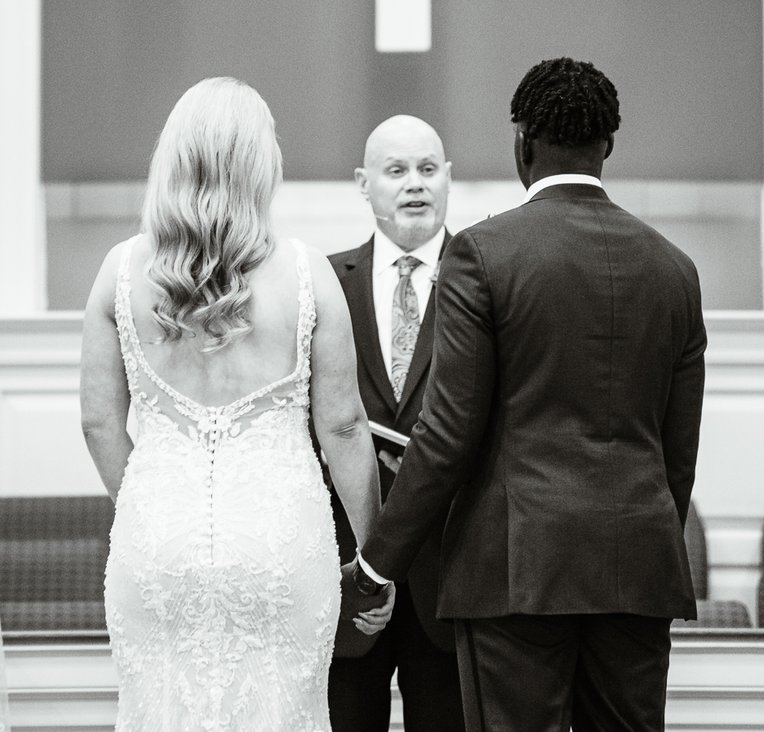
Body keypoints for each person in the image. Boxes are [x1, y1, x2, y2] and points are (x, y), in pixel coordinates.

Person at [346, 57, 706, 732]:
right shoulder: (676, 269)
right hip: (637, 572)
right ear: (609, 146)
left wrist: (375, 565)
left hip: (517, 573)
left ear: (522, 142)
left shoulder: (483, 255)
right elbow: (676, 453)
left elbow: (447, 438)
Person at [80, 77, 393, 732]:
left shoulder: (120, 271)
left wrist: (144, 501)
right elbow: (341, 426)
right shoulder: (310, 275)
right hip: (280, 544)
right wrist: (371, 557)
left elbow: (99, 419)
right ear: (262, 162)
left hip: (157, 538)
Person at [325, 116, 465, 732]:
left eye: (428, 169)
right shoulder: (325, 280)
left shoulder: (487, 275)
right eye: (397, 170)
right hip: (348, 569)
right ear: (364, 183)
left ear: (448, 180)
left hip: (451, 569)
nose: (415, 184)